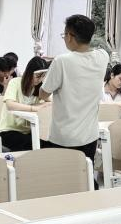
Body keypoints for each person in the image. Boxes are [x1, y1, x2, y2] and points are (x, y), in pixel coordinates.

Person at [39, 14, 109, 160]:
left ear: (70, 36)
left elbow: (43, 94)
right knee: (85, 171)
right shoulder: (103, 57)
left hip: (64, 137)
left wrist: (44, 79)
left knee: (61, 173)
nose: (64, 38)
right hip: (90, 136)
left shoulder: (61, 61)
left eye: (64, 35)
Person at [0, 57, 51, 151]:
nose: (39, 80)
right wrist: (34, 108)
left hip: (28, 131)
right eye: (37, 76)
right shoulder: (15, 82)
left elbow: (51, 102)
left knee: (49, 143)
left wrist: (41, 104)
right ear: (29, 73)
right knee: (36, 145)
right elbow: (10, 105)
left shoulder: (39, 88)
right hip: (9, 131)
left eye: (43, 77)